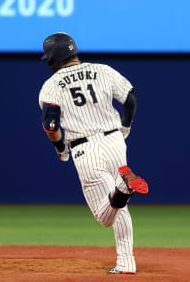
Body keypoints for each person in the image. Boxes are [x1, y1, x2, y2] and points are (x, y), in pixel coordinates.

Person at [38, 32, 149, 274]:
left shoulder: (52, 85)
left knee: (105, 215)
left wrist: (59, 147)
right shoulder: (103, 70)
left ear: (53, 58)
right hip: (115, 141)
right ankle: (126, 263)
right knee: (120, 207)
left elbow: (51, 126)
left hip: (85, 149)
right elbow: (130, 99)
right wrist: (126, 125)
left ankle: (122, 189)